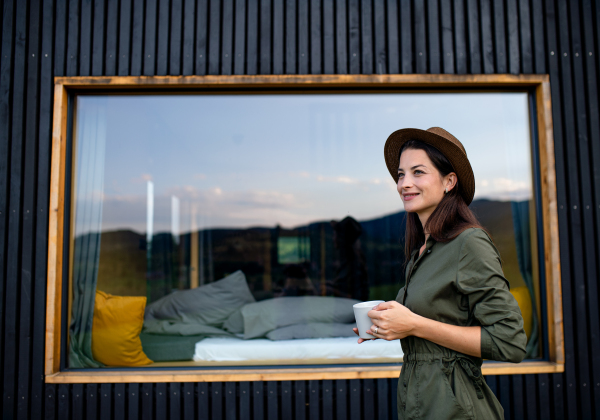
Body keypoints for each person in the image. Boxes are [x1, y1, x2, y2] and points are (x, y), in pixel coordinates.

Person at [354, 127, 527, 419]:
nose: (404, 184)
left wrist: (414, 325)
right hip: (420, 404)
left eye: (418, 172)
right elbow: (431, 324)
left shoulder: (469, 243)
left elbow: (510, 342)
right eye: (400, 175)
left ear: (449, 181)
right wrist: (388, 325)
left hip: (457, 409)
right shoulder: (421, 252)